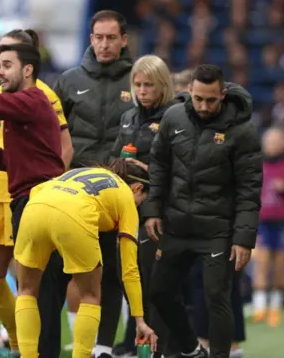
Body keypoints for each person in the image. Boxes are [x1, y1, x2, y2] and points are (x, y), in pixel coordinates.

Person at [143, 64, 262, 358]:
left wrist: (243, 238)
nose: (203, 106)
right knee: (158, 292)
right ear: (189, 93)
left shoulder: (243, 130)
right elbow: (159, 164)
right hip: (177, 224)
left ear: (222, 94)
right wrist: (152, 210)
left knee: (216, 299)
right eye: (197, 98)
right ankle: (192, 349)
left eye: (210, 99)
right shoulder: (174, 116)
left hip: (218, 230)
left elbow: (249, 188)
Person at [0, 28, 72, 357]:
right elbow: (13, 160)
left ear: (27, 68)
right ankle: (32, 349)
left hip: (40, 201)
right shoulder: (18, 99)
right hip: (28, 199)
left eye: (6, 64)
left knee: (36, 290)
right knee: (35, 289)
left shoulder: (32, 98)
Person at [11, 159, 157, 358]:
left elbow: (39, 189)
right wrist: (139, 319)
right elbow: (129, 269)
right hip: (74, 214)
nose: (138, 206)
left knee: (26, 290)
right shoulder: (125, 195)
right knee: (90, 296)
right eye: (141, 200)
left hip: (35, 206)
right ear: (137, 187)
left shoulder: (83, 172)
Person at [51, 10, 134, 357]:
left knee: (113, 275)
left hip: (120, 193)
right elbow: (52, 136)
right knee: (61, 273)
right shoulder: (68, 81)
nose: (104, 44)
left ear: (124, 40)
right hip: (73, 192)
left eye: (111, 38)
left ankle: (102, 348)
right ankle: (45, 347)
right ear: (90, 38)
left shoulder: (138, 80)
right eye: (98, 37)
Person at [108, 54, 176, 358]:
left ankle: (161, 346)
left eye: (149, 84)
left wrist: (144, 169)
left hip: (160, 211)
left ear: (162, 85)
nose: (142, 90)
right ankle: (134, 341)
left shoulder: (176, 118)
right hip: (126, 209)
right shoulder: (128, 117)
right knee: (129, 278)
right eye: (137, 84)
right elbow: (112, 157)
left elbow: (182, 168)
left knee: (155, 283)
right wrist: (121, 164)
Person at [253, 127, 284, 328]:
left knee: (280, 264)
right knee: (262, 262)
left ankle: (275, 307)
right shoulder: (257, 165)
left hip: (283, 222)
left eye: (276, 141)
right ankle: (259, 308)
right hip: (262, 221)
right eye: (269, 141)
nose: (272, 145)